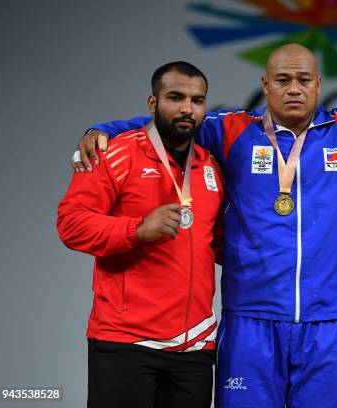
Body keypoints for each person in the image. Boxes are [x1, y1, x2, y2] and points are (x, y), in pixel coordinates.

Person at [72, 44, 337, 407]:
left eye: (304, 79)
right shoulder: (232, 130)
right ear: (265, 83)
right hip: (251, 320)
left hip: (329, 323)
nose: (294, 88)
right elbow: (176, 121)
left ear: (319, 84)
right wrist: (103, 129)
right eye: (283, 79)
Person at [57, 61, 224, 408]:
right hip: (126, 343)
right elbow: (71, 223)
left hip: (194, 347)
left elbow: (217, 244)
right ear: (152, 103)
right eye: (175, 97)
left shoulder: (210, 165)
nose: (186, 109)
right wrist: (136, 229)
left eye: (197, 100)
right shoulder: (115, 153)